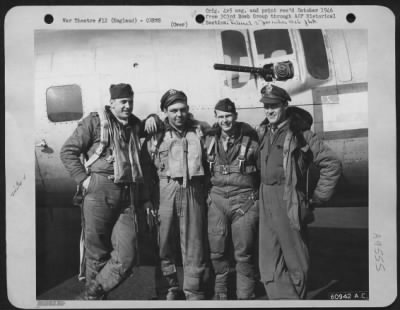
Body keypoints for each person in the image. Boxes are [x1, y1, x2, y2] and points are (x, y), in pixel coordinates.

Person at [60, 83, 157, 300]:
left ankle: (93, 292)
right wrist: (84, 181)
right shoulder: (95, 122)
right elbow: (67, 152)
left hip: (126, 194)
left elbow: (152, 125)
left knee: (127, 254)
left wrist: (153, 117)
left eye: (130, 102)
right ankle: (95, 302)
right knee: (96, 253)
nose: (127, 106)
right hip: (99, 191)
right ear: (111, 102)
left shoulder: (133, 124)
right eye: (123, 102)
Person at [256, 84, 342, 299]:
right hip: (265, 197)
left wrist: (319, 197)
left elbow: (331, 163)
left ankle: (296, 301)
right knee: (268, 261)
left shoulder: (300, 133)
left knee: (296, 262)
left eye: (274, 105)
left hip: (288, 199)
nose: (269, 110)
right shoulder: (264, 131)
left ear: (285, 105)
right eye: (266, 106)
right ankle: (283, 300)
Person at [140, 89, 209, 300]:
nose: (179, 114)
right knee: (164, 245)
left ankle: (194, 290)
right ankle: (168, 289)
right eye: (173, 110)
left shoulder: (200, 132)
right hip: (165, 190)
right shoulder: (155, 136)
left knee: (194, 245)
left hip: (193, 190)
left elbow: (210, 163)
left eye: (182, 109)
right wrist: (147, 200)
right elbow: (144, 171)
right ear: (164, 111)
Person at [204, 98, 260, 300]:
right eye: (221, 117)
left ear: (235, 116)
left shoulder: (252, 140)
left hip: (244, 202)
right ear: (216, 118)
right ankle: (221, 293)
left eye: (228, 116)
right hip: (217, 201)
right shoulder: (209, 140)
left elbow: (265, 171)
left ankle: (246, 296)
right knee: (217, 252)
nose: (225, 120)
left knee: (243, 253)